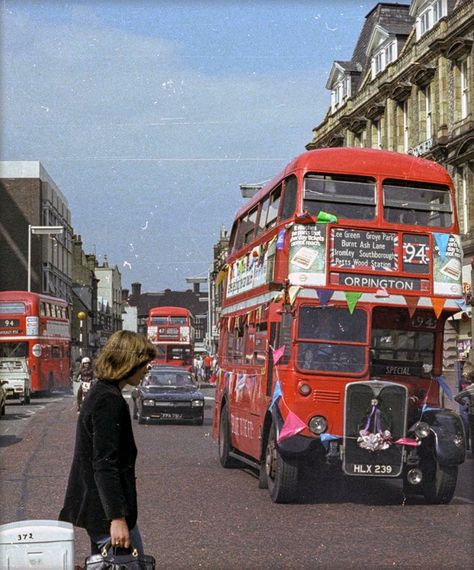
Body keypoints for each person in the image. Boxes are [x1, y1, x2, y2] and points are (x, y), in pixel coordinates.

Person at [59, 330, 156, 555]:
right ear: (129, 362)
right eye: (144, 363)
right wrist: (117, 518)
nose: (146, 369)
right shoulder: (108, 401)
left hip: (100, 511)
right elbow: (104, 463)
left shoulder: (101, 392)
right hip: (105, 515)